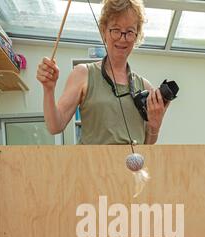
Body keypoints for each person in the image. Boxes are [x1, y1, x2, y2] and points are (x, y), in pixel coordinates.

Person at [36, 0, 170, 144]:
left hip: (131, 167)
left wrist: (155, 125)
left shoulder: (145, 87)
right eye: (116, 30)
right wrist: (48, 89)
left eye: (130, 32)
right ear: (104, 31)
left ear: (136, 36)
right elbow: (55, 126)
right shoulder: (83, 74)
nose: (122, 38)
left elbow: (147, 146)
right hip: (92, 166)